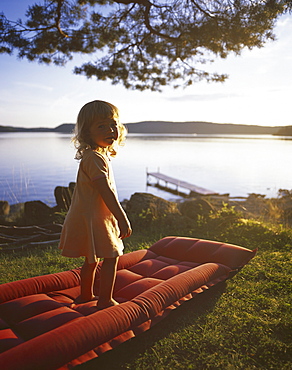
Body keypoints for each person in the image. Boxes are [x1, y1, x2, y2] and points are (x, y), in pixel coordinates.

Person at [59, 100, 132, 309]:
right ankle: (105, 299)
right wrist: (121, 216)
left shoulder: (98, 155)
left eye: (113, 124)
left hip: (91, 216)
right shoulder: (94, 159)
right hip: (96, 219)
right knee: (111, 257)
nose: (110, 130)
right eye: (101, 126)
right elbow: (105, 191)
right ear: (87, 133)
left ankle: (85, 296)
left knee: (92, 260)